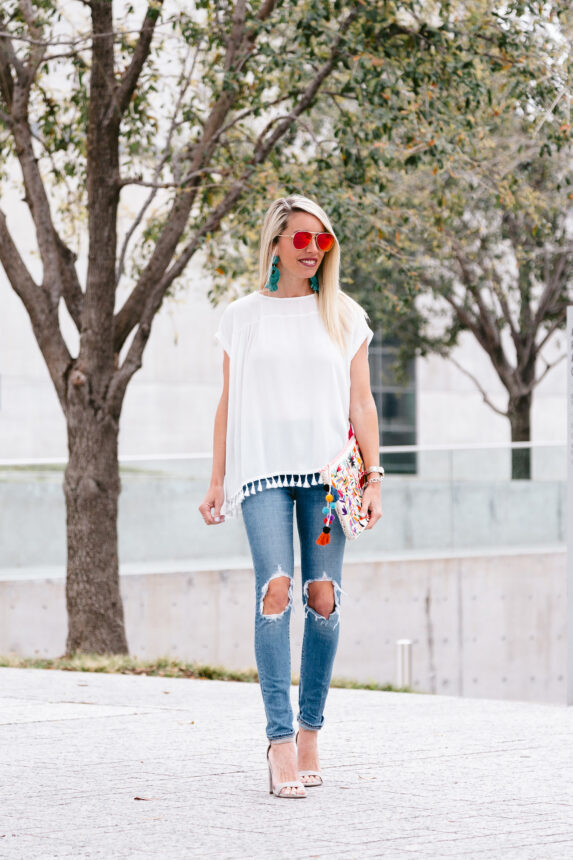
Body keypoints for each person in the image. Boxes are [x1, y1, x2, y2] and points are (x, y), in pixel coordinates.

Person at [199, 195, 382, 798]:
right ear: (276, 243)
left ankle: (310, 732)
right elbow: (229, 403)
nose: (312, 249)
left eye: (322, 240)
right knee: (275, 588)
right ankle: (279, 743)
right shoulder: (242, 317)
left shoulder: (344, 315)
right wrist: (216, 478)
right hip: (262, 477)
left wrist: (373, 475)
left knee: (321, 597)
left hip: (330, 480)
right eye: (301, 238)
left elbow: (361, 402)